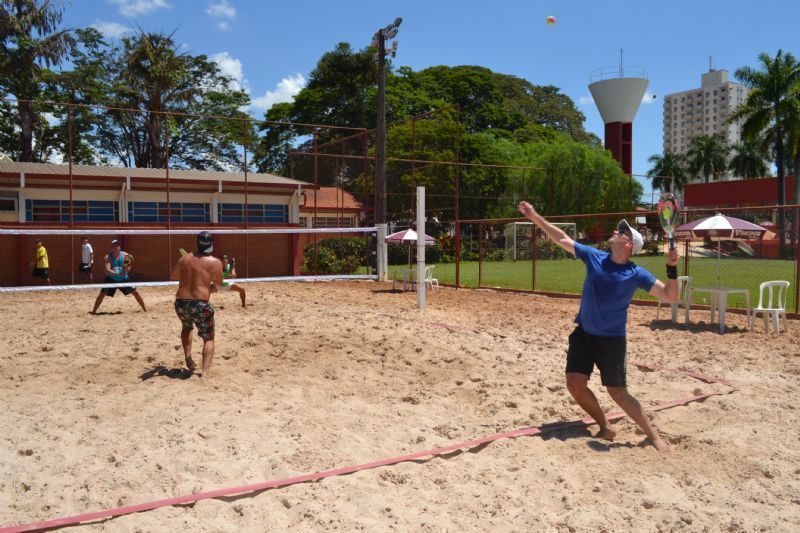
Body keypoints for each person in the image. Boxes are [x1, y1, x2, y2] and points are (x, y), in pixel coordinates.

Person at [518, 201, 679, 453]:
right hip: (584, 333)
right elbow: (561, 238)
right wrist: (535, 216)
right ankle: (605, 425)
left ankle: (653, 436)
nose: (615, 231)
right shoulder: (595, 256)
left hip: (611, 341)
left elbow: (670, 296)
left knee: (618, 393)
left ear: (628, 245)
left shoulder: (636, 273)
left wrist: (672, 268)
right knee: (574, 383)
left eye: (621, 231)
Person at [171, 231, 224, 378]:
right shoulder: (215, 262)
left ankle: (188, 359)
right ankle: (205, 373)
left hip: (181, 303)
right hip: (200, 304)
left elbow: (173, 276)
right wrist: (208, 287)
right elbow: (220, 285)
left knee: (187, 327)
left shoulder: (184, 258)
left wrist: (188, 271)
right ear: (211, 244)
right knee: (208, 338)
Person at [91, 239, 147, 314]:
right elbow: (107, 270)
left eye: (117, 245)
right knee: (102, 294)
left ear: (119, 247)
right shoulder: (108, 257)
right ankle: (94, 311)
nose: (116, 247)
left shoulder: (125, 255)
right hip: (111, 278)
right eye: (114, 245)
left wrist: (126, 271)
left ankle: (145, 309)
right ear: (111, 247)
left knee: (135, 292)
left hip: (124, 278)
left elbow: (128, 267)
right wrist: (116, 273)